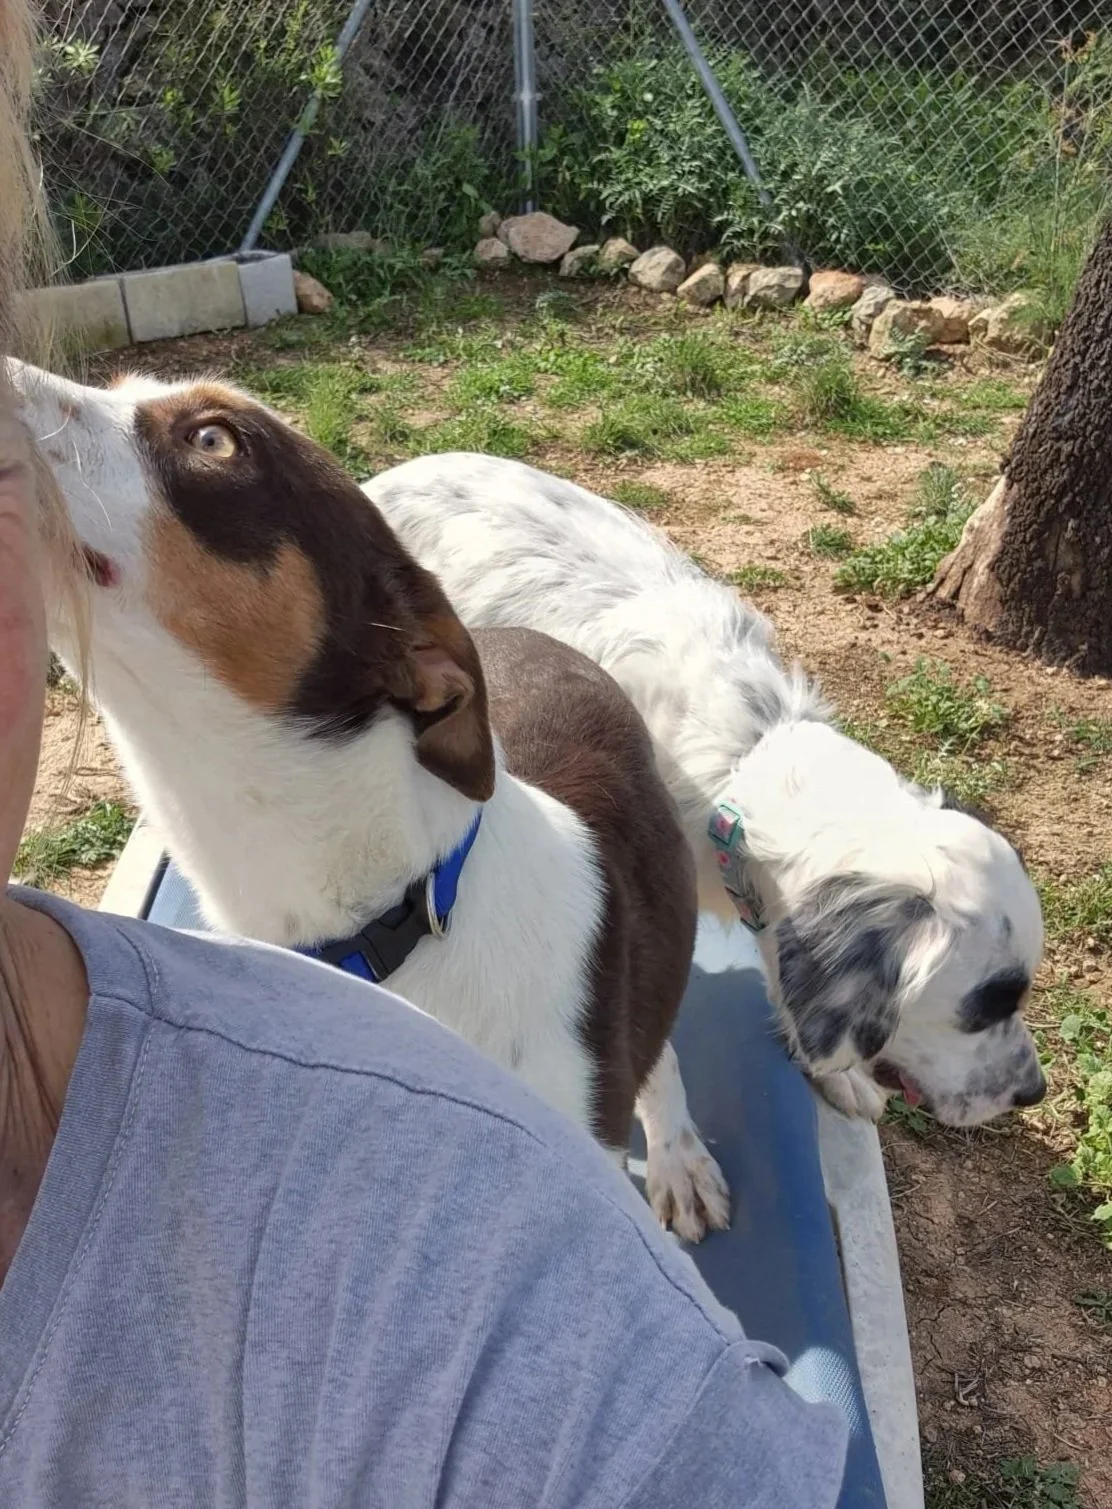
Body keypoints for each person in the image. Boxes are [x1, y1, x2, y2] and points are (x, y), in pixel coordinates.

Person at [0, 5, 847, 1504]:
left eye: (203, 441)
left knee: (634, 1032)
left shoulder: (539, 1197)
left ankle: (666, 1110)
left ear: (411, 668)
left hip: (534, 907)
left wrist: (657, 1132)